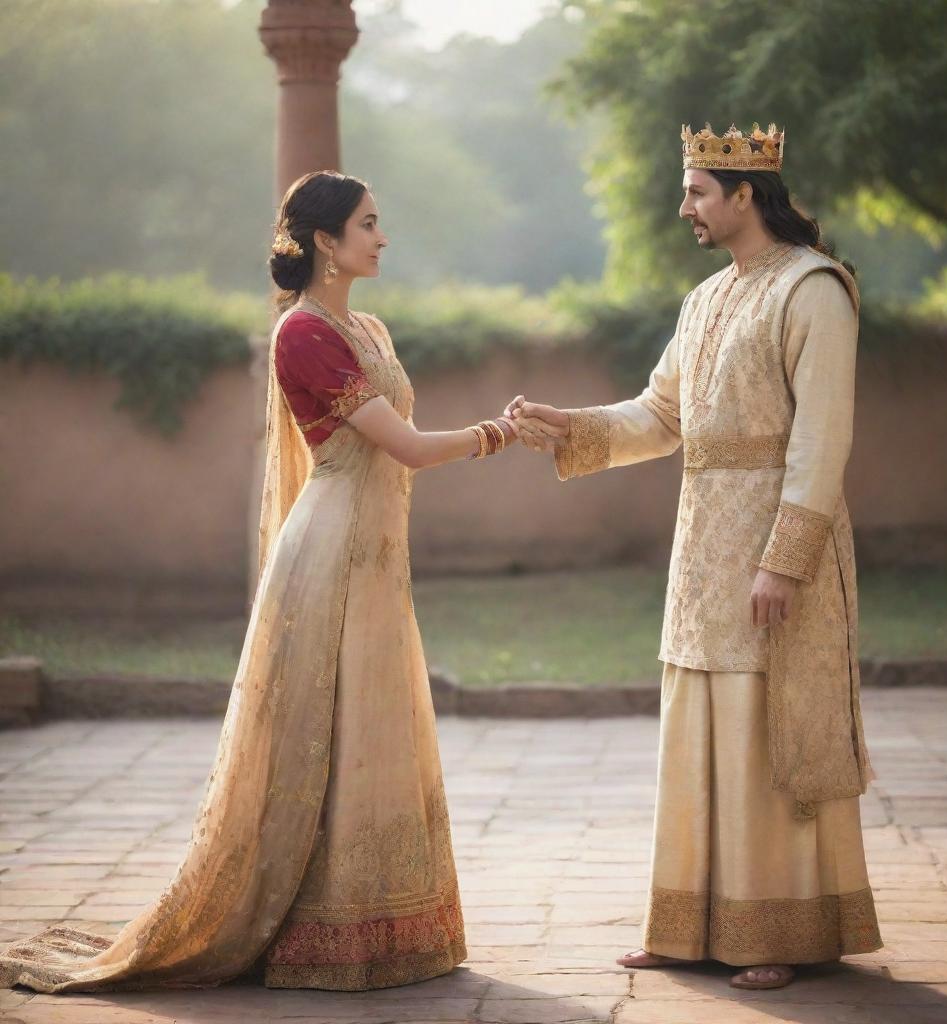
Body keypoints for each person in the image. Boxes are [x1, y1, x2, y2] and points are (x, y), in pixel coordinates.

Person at [0, 171, 543, 994]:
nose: (382, 236)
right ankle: (312, 931)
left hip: (376, 557)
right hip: (329, 550)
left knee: (372, 730)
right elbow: (409, 447)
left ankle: (385, 928)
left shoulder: (368, 326)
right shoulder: (303, 335)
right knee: (327, 734)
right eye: (368, 223)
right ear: (327, 240)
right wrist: (499, 433)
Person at [510, 122, 882, 990]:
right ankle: (686, 925)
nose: (684, 207)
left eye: (696, 192)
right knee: (698, 730)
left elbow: (822, 442)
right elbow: (660, 416)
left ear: (745, 194)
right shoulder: (707, 299)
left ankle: (775, 934)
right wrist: (572, 426)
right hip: (702, 547)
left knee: (767, 734)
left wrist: (783, 560)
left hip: (772, 545)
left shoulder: (814, 290)